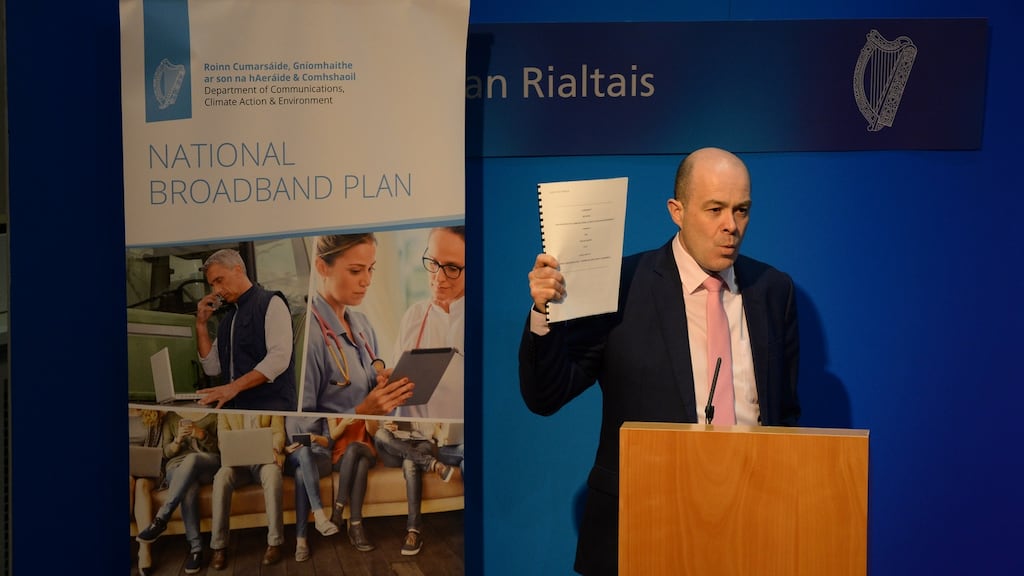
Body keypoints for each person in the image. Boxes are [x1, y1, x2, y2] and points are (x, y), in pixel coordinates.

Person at [519, 147, 801, 575]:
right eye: (715, 209)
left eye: (741, 210)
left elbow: (785, 416)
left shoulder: (773, 290)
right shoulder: (621, 286)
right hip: (644, 526)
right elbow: (546, 394)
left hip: (750, 525)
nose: (731, 226)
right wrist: (544, 313)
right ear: (677, 210)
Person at [302, 233, 414, 414]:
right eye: (355, 271)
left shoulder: (364, 327)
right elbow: (299, 429)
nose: (367, 281)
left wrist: (387, 390)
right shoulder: (310, 335)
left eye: (370, 269)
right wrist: (362, 412)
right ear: (322, 267)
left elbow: (374, 408)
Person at [195, 248, 297, 411]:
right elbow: (212, 368)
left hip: (272, 412)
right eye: (212, 285)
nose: (216, 291)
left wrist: (232, 388)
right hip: (238, 413)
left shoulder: (272, 302)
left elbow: (279, 358)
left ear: (238, 270)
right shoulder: (228, 319)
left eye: (219, 280)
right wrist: (201, 325)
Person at [394, 226, 466, 420]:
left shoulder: (481, 320)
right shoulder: (413, 316)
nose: (438, 278)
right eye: (434, 263)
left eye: (452, 268)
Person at [135, 410, 220, 574]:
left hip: (206, 462)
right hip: (176, 468)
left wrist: (202, 434)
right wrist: (178, 440)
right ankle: (196, 549)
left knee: (192, 459)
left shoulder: (213, 414)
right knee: (189, 487)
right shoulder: (171, 416)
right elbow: (166, 453)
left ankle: (161, 518)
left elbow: (219, 448)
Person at [209, 413, 286, 568]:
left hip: (264, 461)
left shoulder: (273, 401)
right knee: (222, 476)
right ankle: (219, 546)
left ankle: (274, 543)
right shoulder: (226, 408)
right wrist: (231, 450)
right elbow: (222, 439)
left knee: (273, 474)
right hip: (238, 465)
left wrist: (275, 447)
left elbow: (278, 432)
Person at [370, 419, 456, 556]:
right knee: (380, 433)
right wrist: (385, 426)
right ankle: (432, 464)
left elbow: (430, 432)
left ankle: (413, 532)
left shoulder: (425, 401)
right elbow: (373, 430)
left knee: (410, 463)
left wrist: (416, 422)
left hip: (421, 444)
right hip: (394, 447)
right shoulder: (386, 400)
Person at [283, 416, 340, 562]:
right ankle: (319, 516)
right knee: (304, 452)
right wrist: (285, 448)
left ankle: (301, 541)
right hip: (294, 457)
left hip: (320, 458)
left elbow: (329, 441)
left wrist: (315, 438)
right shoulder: (285, 409)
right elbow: (278, 439)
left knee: (301, 473)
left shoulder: (321, 408)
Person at [328, 416, 377, 552]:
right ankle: (356, 526)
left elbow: (374, 433)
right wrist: (344, 423)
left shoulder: (365, 402)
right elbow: (333, 435)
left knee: (354, 447)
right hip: (341, 457)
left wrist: (367, 416)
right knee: (362, 463)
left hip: (365, 450)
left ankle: (339, 507)